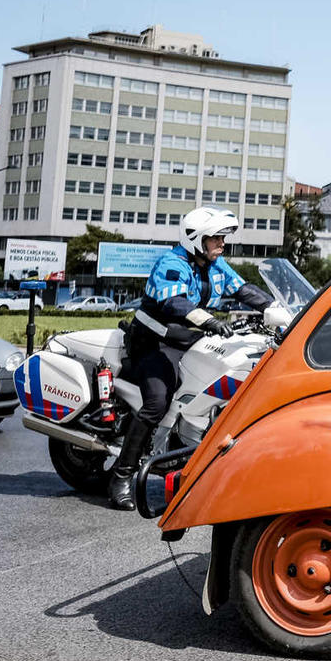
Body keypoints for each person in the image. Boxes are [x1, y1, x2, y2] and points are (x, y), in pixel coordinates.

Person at [110, 207, 274, 509]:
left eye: (223, 239)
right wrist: (209, 321)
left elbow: (244, 290)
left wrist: (282, 311)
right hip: (155, 343)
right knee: (157, 403)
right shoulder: (171, 263)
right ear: (197, 240)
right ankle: (122, 475)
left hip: (190, 343)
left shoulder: (215, 265)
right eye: (216, 239)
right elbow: (174, 301)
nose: (222, 245)